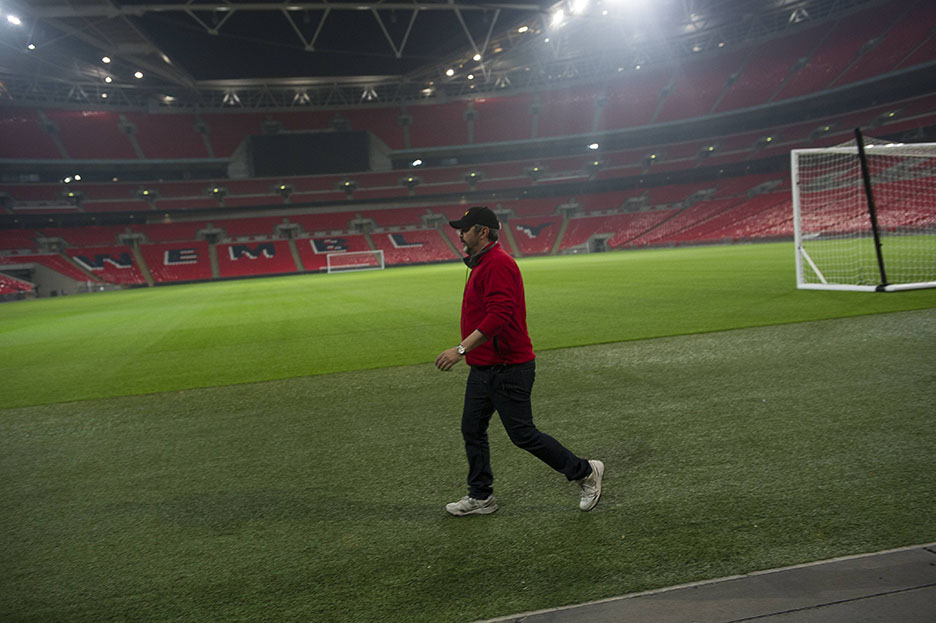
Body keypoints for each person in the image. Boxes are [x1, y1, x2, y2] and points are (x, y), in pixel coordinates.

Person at [435, 206, 604, 516]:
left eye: (465, 228)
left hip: (508, 367)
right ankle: (481, 496)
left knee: (523, 435)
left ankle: (584, 472)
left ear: (482, 231)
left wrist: (459, 350)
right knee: (471, 429)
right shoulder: (481, 264)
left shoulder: (498, 263)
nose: (459, 233)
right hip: (484, 367)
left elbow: (499, 316)